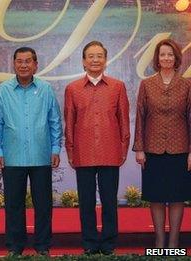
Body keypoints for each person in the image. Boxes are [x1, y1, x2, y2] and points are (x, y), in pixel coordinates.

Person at [0, 47, 62, 256]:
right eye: (19, 61)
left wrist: (56, 148)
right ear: (14, 64)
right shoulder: (3, 90)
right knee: (13, 206)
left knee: (43, 206)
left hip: (41, 155)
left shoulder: (46, 89)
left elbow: (55, 121)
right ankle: (14, 247)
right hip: (12, 156)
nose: (23, 65)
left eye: (28, 61)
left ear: (35, 64)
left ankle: (43, 247)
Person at [64, 41, 130, 255]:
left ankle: (109, 243)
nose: (95, 60)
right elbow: (69, 122)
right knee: (86, 202)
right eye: (90, 56)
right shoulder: (72, 89)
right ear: (83, 61)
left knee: (110, 201)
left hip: (110, 152)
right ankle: (90, 243)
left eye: (99, 56)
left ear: (105, 60)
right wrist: (71, 151)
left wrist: (123, 149)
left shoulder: (117, 86)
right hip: (83, 154)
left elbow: (123, 120)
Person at [133, 39, 191, 248]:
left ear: (176, 58)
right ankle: (159, 241)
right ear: (157, 58)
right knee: (155, 197)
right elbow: (140, 116)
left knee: (177, 197)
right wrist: (139, 148)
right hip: (152, 149)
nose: (166, 58)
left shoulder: (187, 84)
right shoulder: (147, 84)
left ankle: (174, 242)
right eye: (162, 55)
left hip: (180, 149)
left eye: (170, 55)